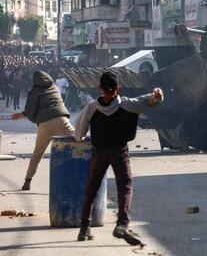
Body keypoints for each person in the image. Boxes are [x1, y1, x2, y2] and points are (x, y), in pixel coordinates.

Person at [75, 71, 163, 245]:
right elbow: (149, 100)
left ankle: (84, 228)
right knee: (124, 187)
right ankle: (122, 224)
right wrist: (157, 95)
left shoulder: (92, 107)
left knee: (91, 188)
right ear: (117, 87)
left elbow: (78, 134)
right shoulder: (128, 105)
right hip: (119, 152)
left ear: (99, 87)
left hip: (99, 152)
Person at [10, 71, 74, 191]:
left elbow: (30, 111)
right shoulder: (54, 87)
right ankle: (87, 175)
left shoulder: (34, 91)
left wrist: (29, 116)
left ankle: (27, 181)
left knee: (38, 153)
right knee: (80, 141)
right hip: (62, 120)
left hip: (45, 124)